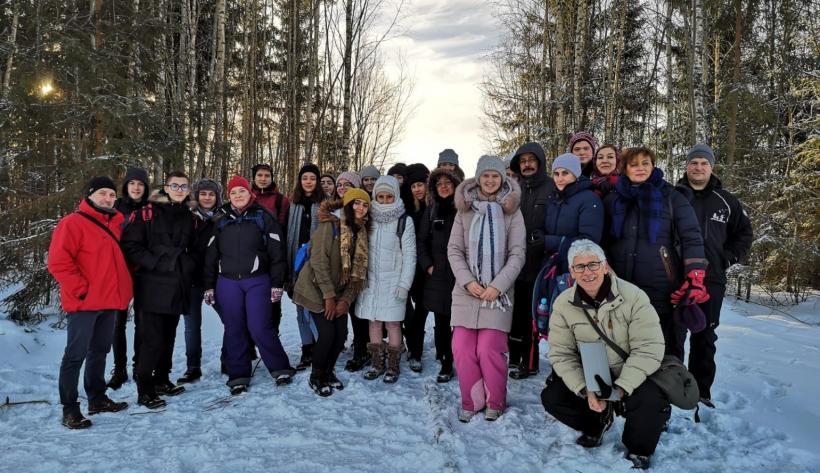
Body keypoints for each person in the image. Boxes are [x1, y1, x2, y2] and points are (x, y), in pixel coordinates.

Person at [541, 240, 668, 470]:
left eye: (593, 264)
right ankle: (597, 423)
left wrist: (621, 387)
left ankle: (639, 447)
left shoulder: (634, 296)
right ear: (571, 271)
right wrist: (583, 388)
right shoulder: (563, 303)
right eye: (580, 267)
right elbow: (561, 354)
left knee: (651, 398)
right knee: (553, 397)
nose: (587, 272)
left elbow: (649, 348)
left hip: (630, 369)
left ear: (605, 266)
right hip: (594, 373)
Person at [602, 147, 708, 360]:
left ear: (653, 166)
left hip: (663, 288)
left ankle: (669, 391)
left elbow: (691, 236)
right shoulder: (613, 200)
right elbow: (603, 239)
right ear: (624, 169)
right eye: (634, 164)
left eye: (645, 163)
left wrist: (695, 275)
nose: (640, 168)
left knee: (665, 348)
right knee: (624, 347)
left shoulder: (672, 197)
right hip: (621, 286)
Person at [49, 176, 132, 429]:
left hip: (108, 301)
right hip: (84, 303)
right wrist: (81, 290)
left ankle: (96, 398)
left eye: (111, 195)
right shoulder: (72, 223)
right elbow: (58, 262)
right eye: (102, 194)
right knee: (75, 356)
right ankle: (70, 409)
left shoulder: (116, 223)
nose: (108, 199)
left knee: (99, 351)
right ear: (90, 196)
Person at [448, 155, 526, 422]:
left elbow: (517, 254)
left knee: (489, 348)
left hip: (498, 294)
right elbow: (454, 250)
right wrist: (468, 281)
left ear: (502, 178)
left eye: (495, 176)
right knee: (462, 347)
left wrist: (497, 286)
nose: (490, 180)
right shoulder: (464, 211)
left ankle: (495, 400)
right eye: (485, 176)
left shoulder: (512, 212)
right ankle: (472, 400)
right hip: (466, 290)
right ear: (478, 178)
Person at [203, 176, 295, 394]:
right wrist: (208, 285)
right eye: (233, 193)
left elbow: (276, 251)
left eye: (241, 192)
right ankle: (239, 374)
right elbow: (210, 255)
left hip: (257, 281)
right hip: (227, 282)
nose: (237, 196)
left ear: (249, 193)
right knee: (234, 327)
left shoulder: (263, 216)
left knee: (259, 326)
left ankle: (279, 367)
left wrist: (277, 283)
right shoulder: (221, 219)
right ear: (228, 196)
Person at [677, 144, 753, 406]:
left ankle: (701, 390)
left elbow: (744, 234)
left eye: (703, 163)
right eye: (694, 162)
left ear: (711, 167)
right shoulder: (674, 196)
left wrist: (727, 257)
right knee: (673, 334)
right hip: (676, 277)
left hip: (712, 278)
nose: (698, 167)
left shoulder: (726, 201)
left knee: (705, 335)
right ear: (687, 165)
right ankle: (673, 387)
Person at [121, 171, 196, 409]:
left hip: (178, 284)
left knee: (168, 336)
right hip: (151, 284)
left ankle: (162, 378)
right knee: (150, 339)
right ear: (166, 187)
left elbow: (193, 248)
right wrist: (156, 262)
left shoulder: (188, 216)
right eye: (175, 186)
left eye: (184, 187)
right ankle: (145, 389)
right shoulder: (147, 213)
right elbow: (131, 246)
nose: (179, 190)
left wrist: (187, 266)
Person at [293, 188, 372, 396]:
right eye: (356, 203)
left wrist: (345, 300)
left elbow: (357, 275)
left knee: (341, 335)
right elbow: (319, 262)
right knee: (327, 335)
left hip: (338, 291)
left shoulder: (361, 233)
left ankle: (328, 372)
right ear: (346, 204)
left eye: (365, 205)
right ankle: (316, 376)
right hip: (315, 287)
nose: (360, 208)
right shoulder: (330, 226)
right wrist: (329, 296)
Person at [357, 176, 416, 383]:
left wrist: (404, 285)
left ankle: (393, 364)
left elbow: (410, 256)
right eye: (380, 196)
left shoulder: (404, 221)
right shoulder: (368, 217)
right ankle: (377, 363)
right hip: (370, 282)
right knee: (373, 322)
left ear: (395, 196)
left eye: (388, 196)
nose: (383, 200)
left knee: (392, 324)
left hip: (393, 283)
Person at [507, 142, 552, 380]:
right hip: (515, 262)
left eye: (531, 160)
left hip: (540, 262)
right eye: (522, 161)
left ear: (540, 162)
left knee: (533, 316)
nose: (526, 164)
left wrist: (545, 240)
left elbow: (556, 221)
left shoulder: (551, 188)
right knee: (515, 313)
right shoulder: (513, 188)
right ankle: (514, 356)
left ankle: (530, 361)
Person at [417, 166, 463, 382]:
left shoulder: (463, 208)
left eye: (448, 183)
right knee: (442, 322)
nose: (443, 187)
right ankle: (446, 362)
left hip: (461, 275)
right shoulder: (431, 209)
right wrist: (428, 265)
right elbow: (422, 241)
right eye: (439, 183)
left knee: (461, 322)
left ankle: (461, 358)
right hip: (437, 276)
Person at [108, 166, 150, 390]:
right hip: (118, 271)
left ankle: (138, 366)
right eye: (132, 183)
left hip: (142, 271)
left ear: (145, 188)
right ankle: (120, 369)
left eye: (140, 184)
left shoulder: (152, 209)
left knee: (142, 323)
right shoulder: (115, 209)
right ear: (126, 186)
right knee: (118, 322)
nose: (136, 187)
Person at [177, 178, 222, 384]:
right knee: (192, 326)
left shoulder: (223, 218)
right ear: (197, 196)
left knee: (231, 319)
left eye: (211, 194)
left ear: (217, 197)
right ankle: (192, 366)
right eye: (203, 194)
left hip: (217, 279)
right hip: (191, 279)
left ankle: (230, 357)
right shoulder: (187, 217)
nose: (207, 198)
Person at [286, 164, 323, 371]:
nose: (308, 181)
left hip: (316, 264)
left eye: (312, 178)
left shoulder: (324, 204)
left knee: (315, 308)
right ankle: (306, 348)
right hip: (296, 263)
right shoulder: (293, 205)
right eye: (305, 178)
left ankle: (319, 346)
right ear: (300, 181)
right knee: (301, 309)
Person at [333, 171, 370, 372]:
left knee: (357, 313)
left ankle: (361, 350)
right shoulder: (332, 214)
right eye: (340, 184)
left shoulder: (361, 211)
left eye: (347, 185)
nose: (342, 188)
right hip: (336, 271)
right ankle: (337, 344)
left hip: (357, 272)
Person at [543, 153, 604, 273]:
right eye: (556, 174)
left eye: (565, 173)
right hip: (552, 265)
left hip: (577, 268)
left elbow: (589, 241)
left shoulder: (589, 199)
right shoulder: (554, 197)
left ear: (576, 174)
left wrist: (548, 241)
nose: (560, 178)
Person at [251, 163, 289, 335]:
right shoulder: (247, 197)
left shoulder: (281, 200)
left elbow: (285, 229)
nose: (263, 179)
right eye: (260, 175)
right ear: (254, 177)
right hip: (250, 258)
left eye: (267, 175)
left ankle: (273, 337)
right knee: (251, 304)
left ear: (272, 177)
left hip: (273, 257)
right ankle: (250, 345)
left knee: (274, 301)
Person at [401, 163, 430, 372]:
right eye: (413, 186)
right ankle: (413, 347)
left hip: (427, 270)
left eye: (421, 184)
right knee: (408, 313)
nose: (417, 189)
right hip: (407, 268)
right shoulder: (407, 210)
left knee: (421, 312)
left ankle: (416, 351)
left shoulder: (435, 207)